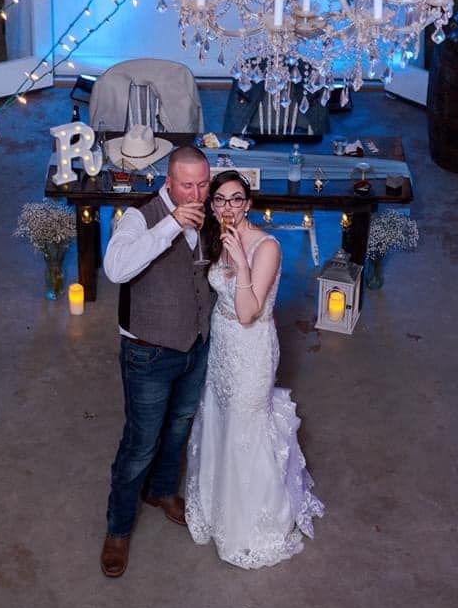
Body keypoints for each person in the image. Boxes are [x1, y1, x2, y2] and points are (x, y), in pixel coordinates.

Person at [185, 170, 324, 569]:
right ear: (212, 206)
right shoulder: (215, 238)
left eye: (236, 199)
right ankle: (216, 509)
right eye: (220, 200)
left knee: (246, 427)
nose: (228, 207)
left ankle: (250, 523)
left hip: (251, 347)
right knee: (219, 419)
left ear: (249, 203)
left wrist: (241, 264)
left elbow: (247, 312)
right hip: (222, 346)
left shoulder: (267, 247)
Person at [100, 145, 213, 578]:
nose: (197, 193)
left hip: (195, 345)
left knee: (179, 427)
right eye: (188, 185)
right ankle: (118, 529)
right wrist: (171, 224)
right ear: (168, 182)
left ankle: (162, 491)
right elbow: (116, 268)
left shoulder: (208, 211)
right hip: (148, 351)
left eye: (203, 183)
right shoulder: (140, 216)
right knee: (139, 444)